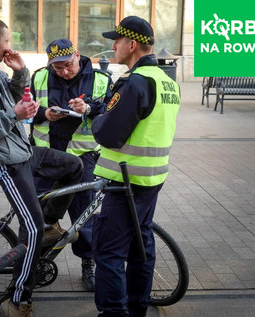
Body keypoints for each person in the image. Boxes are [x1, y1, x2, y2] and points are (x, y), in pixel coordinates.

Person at [0, 17, 83, 317]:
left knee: (74, 167)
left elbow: (8, 97)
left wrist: (20, 72)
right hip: (3, 161)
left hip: (22, 151)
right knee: (30, 227)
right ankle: (18, 300)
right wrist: (15, 114)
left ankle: (48, 226)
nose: (10, 47)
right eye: (7, 41)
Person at [91, 16, 180, 316]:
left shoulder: (136, 82)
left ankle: (114, 313)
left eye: (116, 40)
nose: (112, 46)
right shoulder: (167, 81)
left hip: (124, 182)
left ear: (131, 45)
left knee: (109, 254)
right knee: (141, 248)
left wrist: (96, 118)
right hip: (151, 180)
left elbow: (108, 134)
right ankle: (138, 307)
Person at [30, 39, 113, 291]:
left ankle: (88, 264)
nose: (64, 72)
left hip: (82, 158)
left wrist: (89, 107)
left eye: (68, 65)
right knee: (41, 216)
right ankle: (36, 264)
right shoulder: (40, 77)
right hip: (47, 157)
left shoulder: (100, 79)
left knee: (84, 215)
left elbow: (111, 111)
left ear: (78, 55)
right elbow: (24, 109)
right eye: (58, 68)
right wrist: (44, 113)